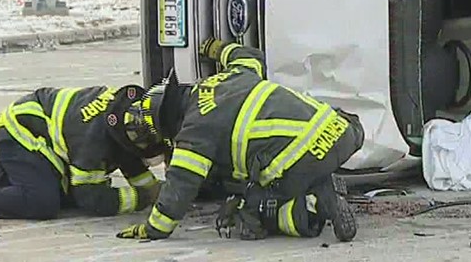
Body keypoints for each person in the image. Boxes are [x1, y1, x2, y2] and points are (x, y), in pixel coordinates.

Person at [115, 39, 362, 243]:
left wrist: (152, 228)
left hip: (302, 158)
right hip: (342, 130)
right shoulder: (230, 76)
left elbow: (180, 187)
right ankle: (320, 179)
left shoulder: (194, 130)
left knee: (248, 211)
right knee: (279, 164)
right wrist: (215, 48)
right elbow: (250, 56)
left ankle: (315, 205)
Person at [0, 84, 170, 220]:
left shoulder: (125, 114)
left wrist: (164, 193)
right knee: (42, 203)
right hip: (19, 131)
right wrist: (144, 198)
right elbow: (91, 198)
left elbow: (129, 160)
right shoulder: (93, 141)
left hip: (46, 135)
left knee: (61, 195)